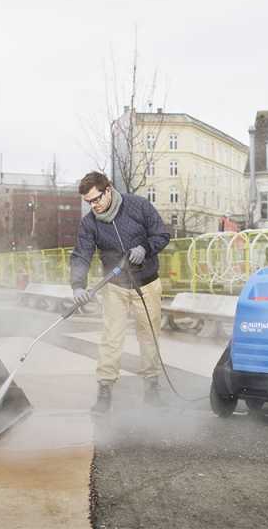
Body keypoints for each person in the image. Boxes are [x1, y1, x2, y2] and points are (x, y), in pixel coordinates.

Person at [70, 171, 171, 414]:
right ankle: (105, 389)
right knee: (111, 337)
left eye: (96, 199)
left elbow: (162, 234)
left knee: (149, 336)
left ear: (108, 189)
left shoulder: (138, 206)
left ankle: (152, 387)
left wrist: (145, 248)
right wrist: (78, 285)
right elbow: (82, 254)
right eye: (89, 202)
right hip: (115, 286)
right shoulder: (89, 223)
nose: (93, 206)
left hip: (146, 283)